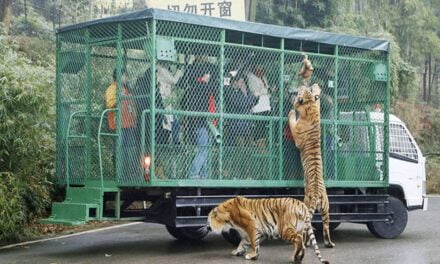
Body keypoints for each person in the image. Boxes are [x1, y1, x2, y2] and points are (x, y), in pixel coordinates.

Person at [180, 63, 217, 179]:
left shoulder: (191, 87)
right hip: (203, 123)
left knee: (204, 149)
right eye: (208, 74)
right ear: (204, 75)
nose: (209, 76)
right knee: (203, 150)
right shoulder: (203, 87)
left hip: (195, 124)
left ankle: (203, 174)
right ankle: (194, 173)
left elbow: (183, 103)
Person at [105, 70, 138, 177]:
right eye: (125, 76)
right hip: (118, 124)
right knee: (118, 148)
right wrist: (119, 97)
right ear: (120, 76)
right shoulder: (112, 88)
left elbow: (132, 105)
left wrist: (134, 119)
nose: (127, 78)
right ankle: (117, 174)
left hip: (128, 124)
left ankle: (126, 173)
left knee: (127, 149)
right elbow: (109, 103)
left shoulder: (127, 89)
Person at [156, 61, 184, 144]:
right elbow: (174, 80)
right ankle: (175, 143)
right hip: (163, 101)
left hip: (167, 102)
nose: (169, 64)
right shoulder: (161, 70)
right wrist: (179, 69)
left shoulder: (165, 70)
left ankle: (176, 141)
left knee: (174, 122)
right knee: (170, 122)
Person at [225, 74, 257, 146]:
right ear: (234, 82)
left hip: (244, 123)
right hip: (235, 123)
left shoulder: (240, 92)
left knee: (250, 144)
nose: (243, 84)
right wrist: (252, 97)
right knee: (240, 145)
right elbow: (241, 104)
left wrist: (249, 96)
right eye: (241, 82)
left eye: (243, 82)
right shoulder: (229, 91)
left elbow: (252, 103)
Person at [247, 65, 271, 146]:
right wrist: (265, 90)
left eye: (262, 69)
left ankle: (263, 143)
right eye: (258, 69)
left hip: (266, 105)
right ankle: (259, 144)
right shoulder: (251, 77)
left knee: (264, 125)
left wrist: (265, 90)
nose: (261, 71)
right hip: (258, 106)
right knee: (259, 126)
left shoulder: (263, 77)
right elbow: (255, 92)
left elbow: (267, 89)